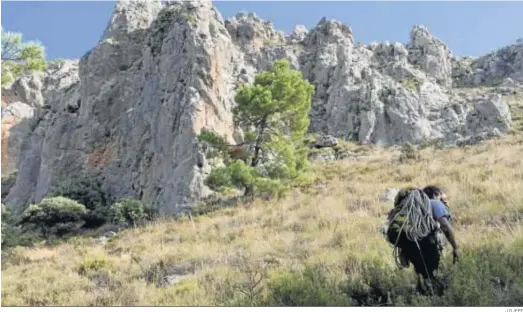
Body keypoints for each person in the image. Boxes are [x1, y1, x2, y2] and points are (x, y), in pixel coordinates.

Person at [385, 186, 460, 295]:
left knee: (422, 272)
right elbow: (445, 225)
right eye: (441, 198)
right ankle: (435, 298)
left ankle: (422, 295)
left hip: (406, 242)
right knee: (432, 273)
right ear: (435, 195)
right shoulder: (434, 203)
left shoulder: (407, 209)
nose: (444, 201)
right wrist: (456, 248)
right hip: (424, 241)